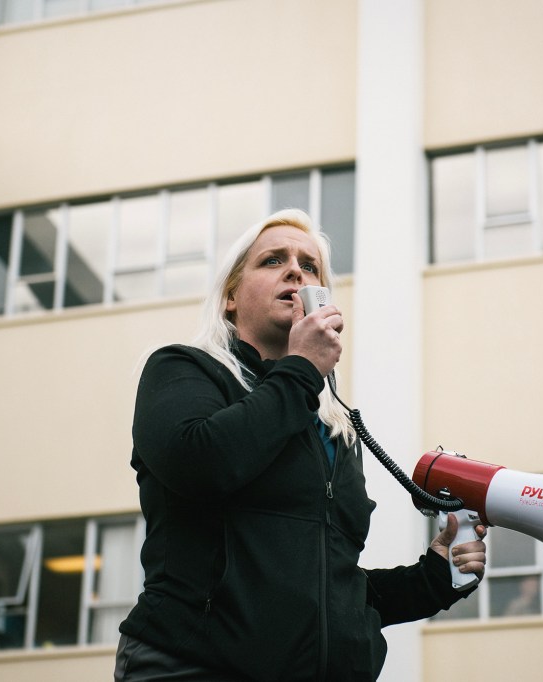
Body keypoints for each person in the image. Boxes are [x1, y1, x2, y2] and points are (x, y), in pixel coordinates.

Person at [115, 209, 487, 681]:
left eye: (309, 266)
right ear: (230, 297)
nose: (295, 270)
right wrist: (303, 369)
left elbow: (328, 591)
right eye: (273, 260)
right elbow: (201, 461)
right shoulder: (182, 371)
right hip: (195, 666)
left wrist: (433, 578)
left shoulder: (332, 430)